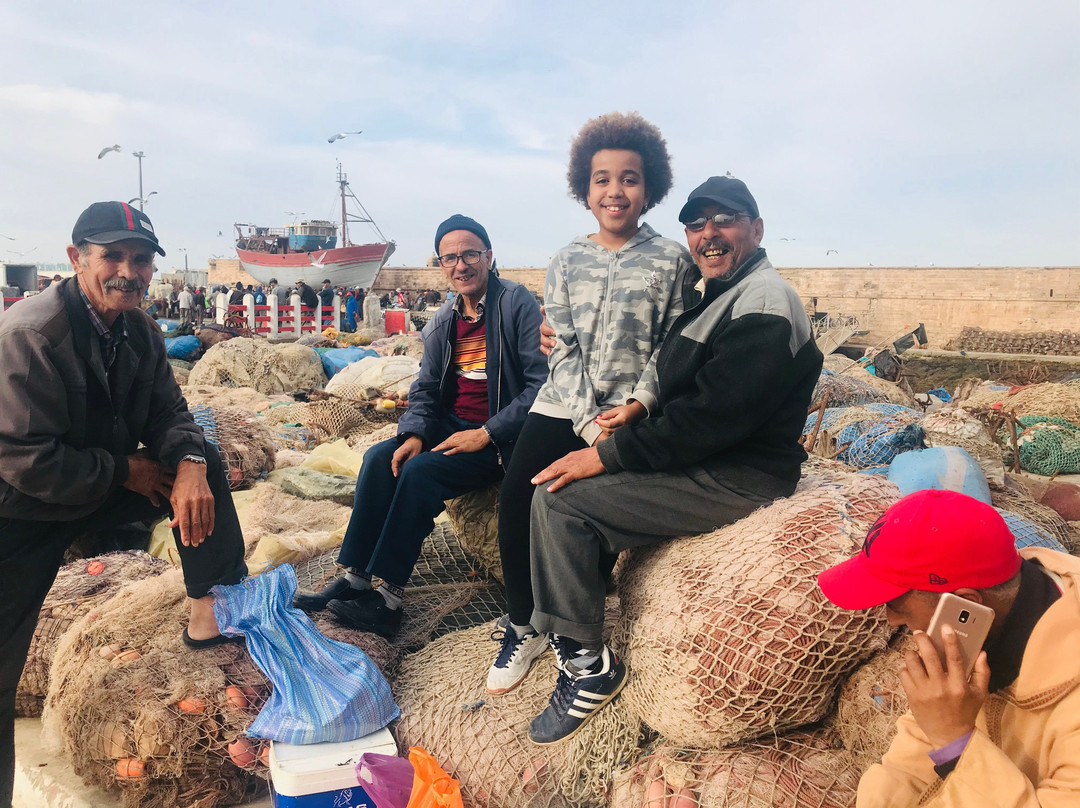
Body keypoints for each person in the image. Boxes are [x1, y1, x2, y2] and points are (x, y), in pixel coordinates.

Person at [521, 175, 823, 744]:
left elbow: (712, 418)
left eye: (724, 220)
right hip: (711, 458)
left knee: (559, 502)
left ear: (756, 229)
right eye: (696, 223)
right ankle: (563, 618)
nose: (709, 234)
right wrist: (637, 408)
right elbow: (671, 366)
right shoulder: (720, 294)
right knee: (551, 485)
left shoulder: (765, 301)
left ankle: (588, 668)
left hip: (738, 476)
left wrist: (608, 457)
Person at [0, 201, 248, 805]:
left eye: (140, 260)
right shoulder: (31, 334)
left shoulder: (140, 329)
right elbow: (22, 457)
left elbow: (169, 413)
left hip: (102, 485)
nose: (128, 271)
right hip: (21, 510)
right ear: (75, 258)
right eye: (112, 256)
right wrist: (123, 471)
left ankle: (212, 610)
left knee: (203, 465)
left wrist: (188, 463)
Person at [487, 111, 693, 697]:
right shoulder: (565, 261)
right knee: (516, 500)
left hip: (629, 409)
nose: (615, 190)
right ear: (585, 188)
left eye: (629, 178)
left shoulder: (672, 262)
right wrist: (584, 422)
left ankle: (576, 620)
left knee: (585, 506)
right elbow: (561, 348)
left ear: (649, 186)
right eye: (602, 179)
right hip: (565, 405)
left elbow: (671, 346)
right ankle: (523, 623)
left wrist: (638, 404)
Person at [292, 215, 546, 638]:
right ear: (441, 265)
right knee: (379, 458)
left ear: (488, 256)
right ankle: (356, 578)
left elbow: (541, 385)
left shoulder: (516, 305)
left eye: (470, 254)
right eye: (450, 257)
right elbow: (426, 386)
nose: (461, 265)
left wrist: (486, 433)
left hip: (502, 436)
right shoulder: (445, 318)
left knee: (421, 471)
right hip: (453, 424)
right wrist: (413, 434)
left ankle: (389, 598)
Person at [817, 489, 1080, 807]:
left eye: (896, 603)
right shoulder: (972, 636)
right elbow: (907, 766)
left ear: (965, 604)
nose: (891, 618)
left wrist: (956, 741)